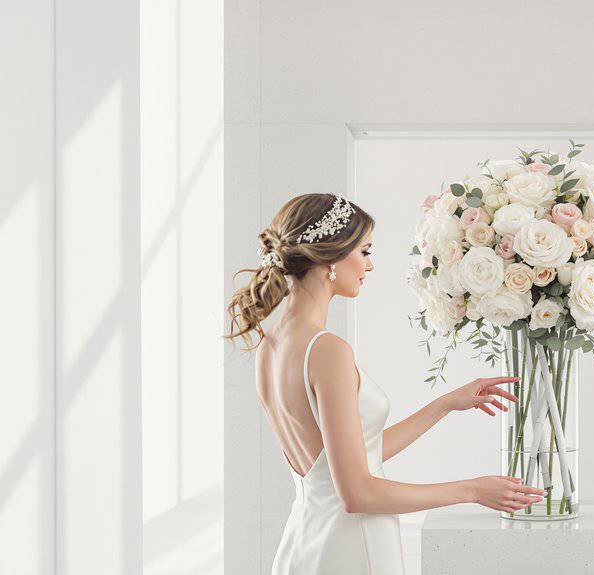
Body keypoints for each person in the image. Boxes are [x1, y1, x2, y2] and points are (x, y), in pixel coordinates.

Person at [225, 193, 545, 574]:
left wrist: (444, 404)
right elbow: (357, 494)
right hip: (350, 548)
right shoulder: (327, 351)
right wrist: (472, 490)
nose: (370, 265)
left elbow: (346, 460)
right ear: (329, 258)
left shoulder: (272, 344)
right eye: (364, 251)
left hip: (304, 544)